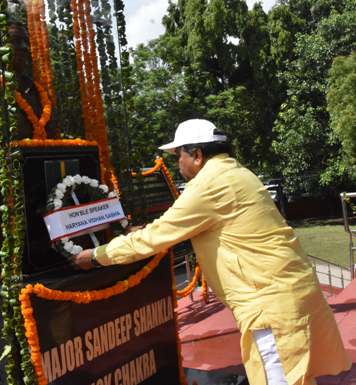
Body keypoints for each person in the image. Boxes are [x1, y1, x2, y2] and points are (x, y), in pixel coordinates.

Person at [72, 119, 351, 385]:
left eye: (177, 155)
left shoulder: (208, 185)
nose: (177, 163)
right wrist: (145, 229)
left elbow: (154, 239)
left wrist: (94, 255)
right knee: (296, 376)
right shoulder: (236, 173)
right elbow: (191, 224)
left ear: (196, 155)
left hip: (270, 305)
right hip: (288, 293)